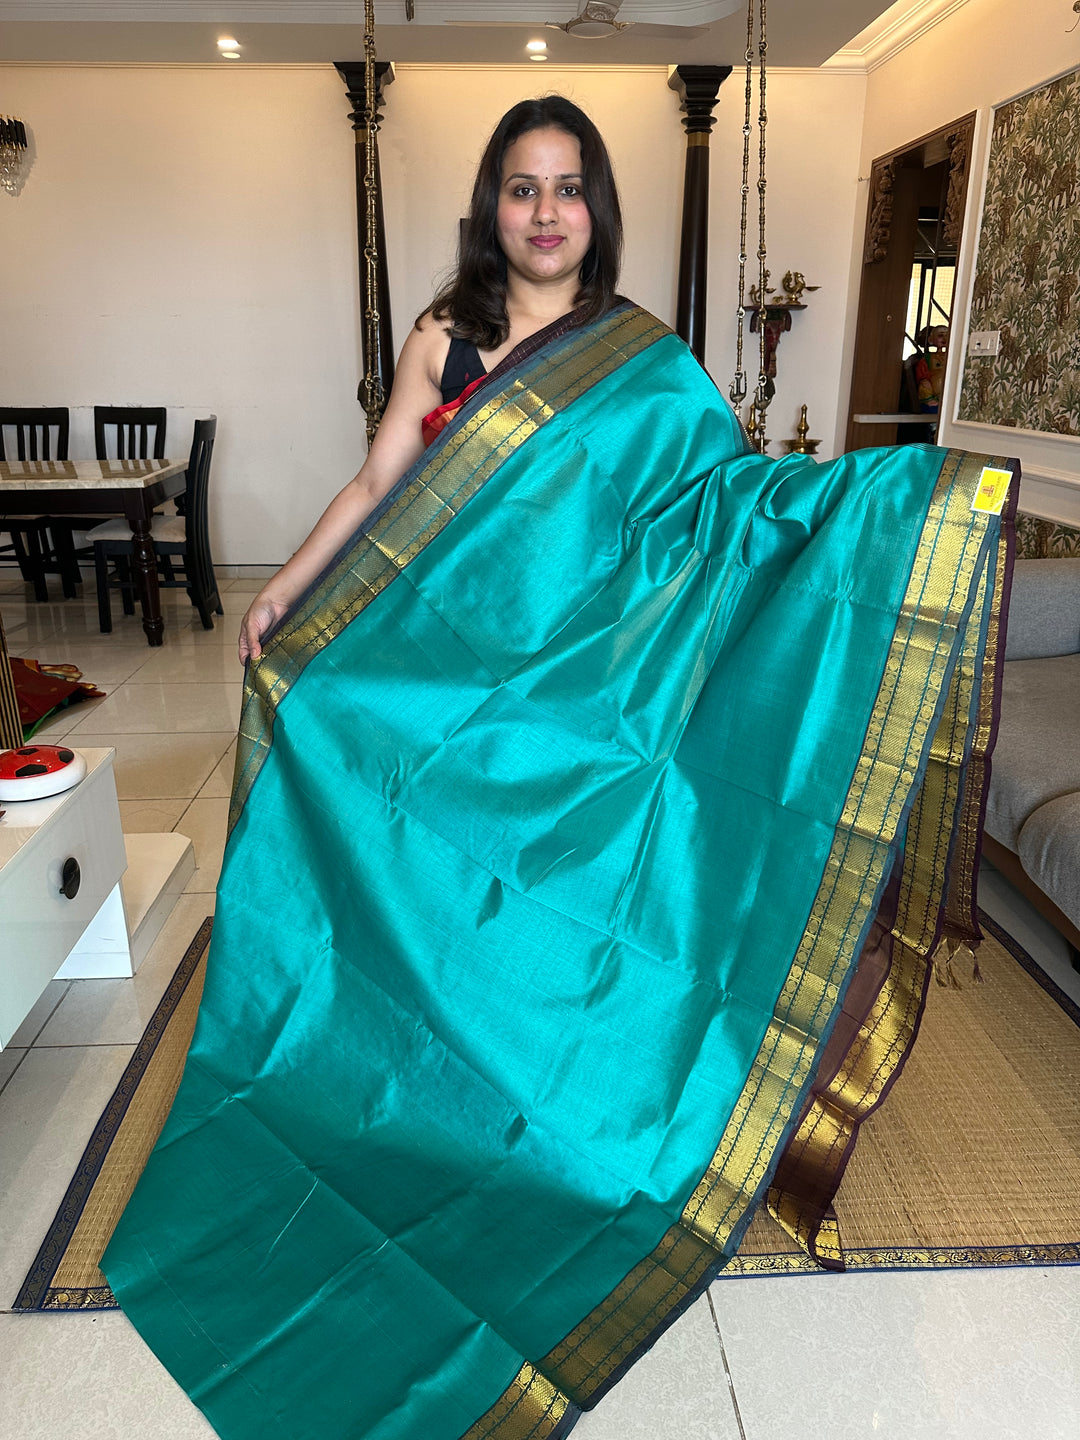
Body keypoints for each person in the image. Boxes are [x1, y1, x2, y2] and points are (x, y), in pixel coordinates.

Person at [104, 98, 1015, 1440]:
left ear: (598, 209)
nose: (544, 211)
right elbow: (375, 489)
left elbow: (723, 504)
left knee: (604, 882)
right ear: (489, 208)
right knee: (360, 778)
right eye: (521, 188)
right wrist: (282, 598)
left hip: (588, 689)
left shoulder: (644, 361)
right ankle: (408, 1073)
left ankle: (572, 1089)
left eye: (569, 188)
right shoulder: (443, 340)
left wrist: (892, 506)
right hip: (456, 681)